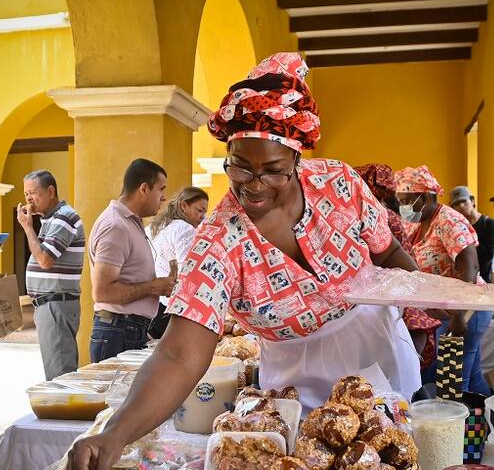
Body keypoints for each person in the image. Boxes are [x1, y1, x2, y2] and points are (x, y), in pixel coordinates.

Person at [67, 52, 421, 469]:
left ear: (297, 160)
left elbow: (389, 253)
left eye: (273, 171)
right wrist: (116, 433)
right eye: (239, 168)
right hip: (296, 385)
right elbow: (179, 353)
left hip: (378, 354)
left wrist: (426, 295)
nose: (253, 187)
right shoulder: (220, 239)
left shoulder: (339, 185)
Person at [394, 167, 489, 393]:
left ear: (425, 197)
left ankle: (463, 427)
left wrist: (458, 313)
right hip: (445, 312)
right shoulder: (418, 223)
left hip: (464, 312)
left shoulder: (449, 221)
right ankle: (490, 421)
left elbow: (470, 263)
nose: (403, 207)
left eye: (407, 201)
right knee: (472, 381)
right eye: (400, 201)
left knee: (452, 385)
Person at [86, 159, 178, 362]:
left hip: (128, 329)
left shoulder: (130, 223)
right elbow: (102, 291)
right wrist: (154, 287)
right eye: (161, 189)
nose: (163, 198)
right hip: (118, 331)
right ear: (144, 189)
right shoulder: (115, 226)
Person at [355, 163, 440, 368]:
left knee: (395, 373)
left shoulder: (376, 216)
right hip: (399, 299)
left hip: (394, 302)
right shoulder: (383, 215)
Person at [17, 170, 85, 380]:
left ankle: (63, 413)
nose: (28, 199)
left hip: (56, 304)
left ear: (50, 191)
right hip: (51, 304)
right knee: (57, 370)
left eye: (33, 193)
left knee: (60, 377)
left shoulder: (63, 217)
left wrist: (28, 228)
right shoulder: (50, 218)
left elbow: (45, 260)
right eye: (26, 194)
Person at [145, 186, 210, 339]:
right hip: (171, 307)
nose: (202, 217)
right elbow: (188, 271)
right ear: (184, 205)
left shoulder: (154, 226)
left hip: (151, 303)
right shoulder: (184, 229)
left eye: (204, 212)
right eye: (199, 210)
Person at [450, 186, 494, 283]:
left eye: (464, 201)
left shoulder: (488, 223)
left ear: (472, 200)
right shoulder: (457, 226)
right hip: (464, 280)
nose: (461, 206)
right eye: (456, 204)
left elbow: (488, 254)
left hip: (484, 279)